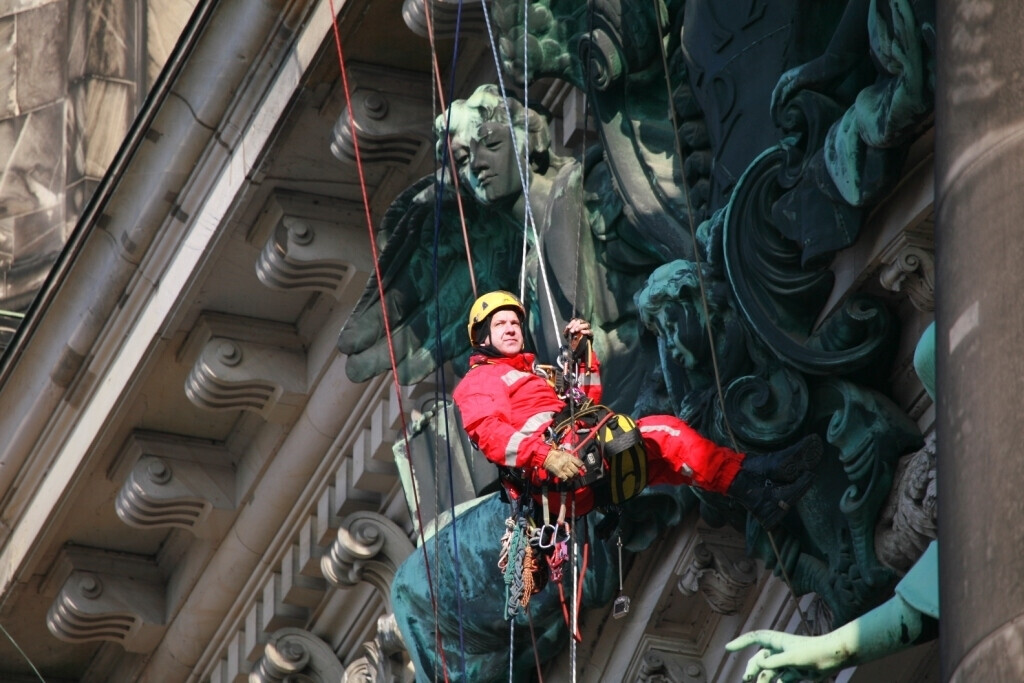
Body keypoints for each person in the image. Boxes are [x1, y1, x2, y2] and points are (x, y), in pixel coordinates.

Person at [452, 291, 823, 528]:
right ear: (482, 336)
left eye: (515, 322)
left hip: (579, 463)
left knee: (671, 459)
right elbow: (488, 432)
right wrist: (545, 456)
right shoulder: (482, 381)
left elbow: (587, 404)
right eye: (500, 324)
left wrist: (583, 355)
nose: (511, 328)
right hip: (557, 475)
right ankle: (762, 474)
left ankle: (760, 494)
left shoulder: (537, 375)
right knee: (665, 432)